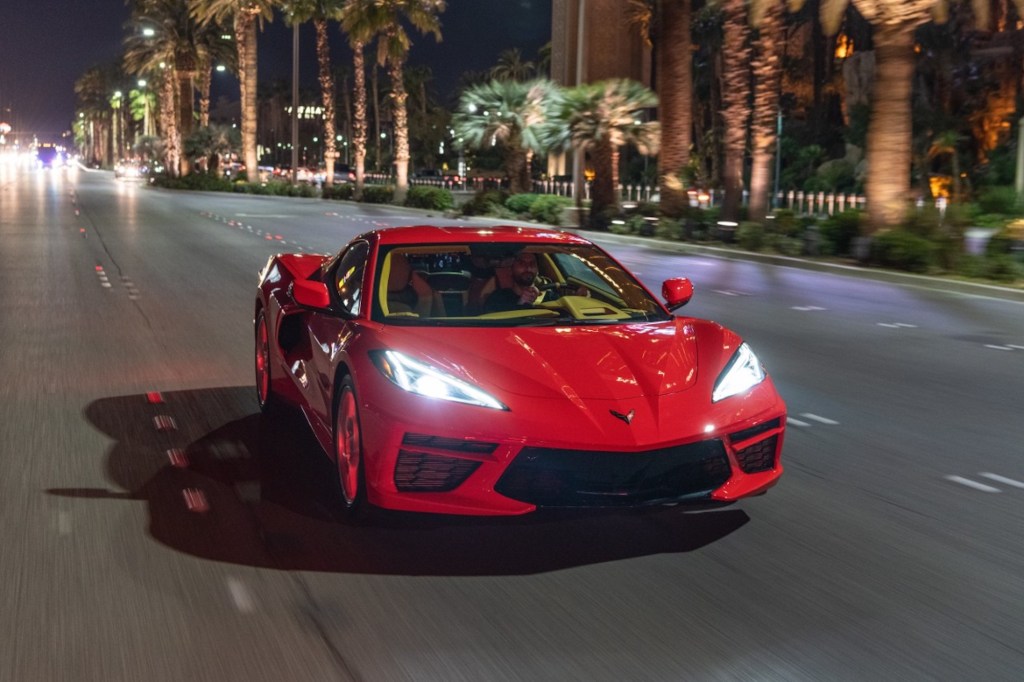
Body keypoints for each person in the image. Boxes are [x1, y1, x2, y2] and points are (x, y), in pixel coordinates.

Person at [481, 251, 587, 313]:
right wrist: (521, 303)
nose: (528, 267)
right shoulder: (498, 298)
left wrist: (579, 300)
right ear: (511, 268)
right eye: (521, 263)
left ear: (537, 270)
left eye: (532, 263)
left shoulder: (552, 297)